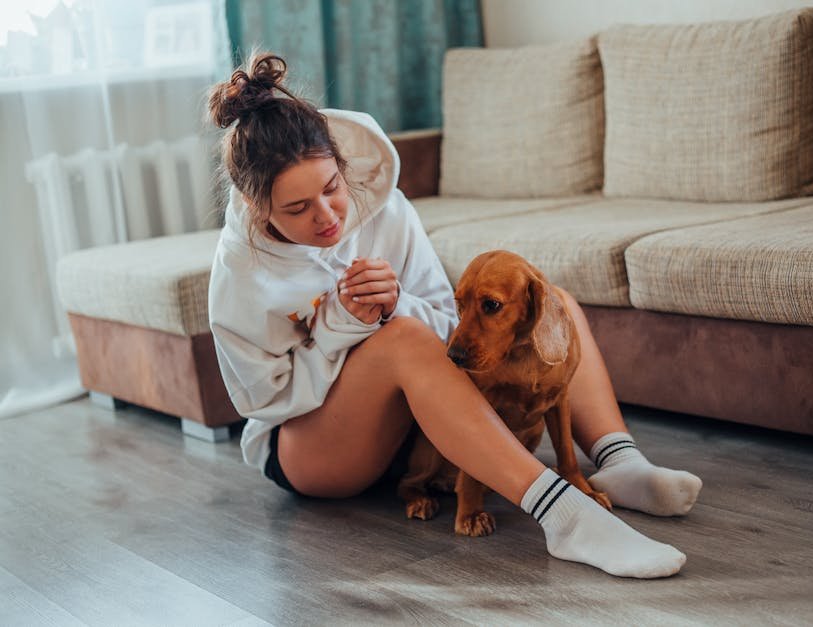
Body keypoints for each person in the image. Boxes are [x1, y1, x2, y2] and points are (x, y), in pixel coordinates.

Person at [207, 51, 703, 579]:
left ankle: (621, 462)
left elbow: (452, 326)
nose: (328, 216)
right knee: (399, 340)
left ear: (341, 165)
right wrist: (341, 327)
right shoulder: (242, 271)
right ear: (258, 208)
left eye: (331, 189)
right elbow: (263, 400)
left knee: (550, 304)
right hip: (312, 449)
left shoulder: (387, 209)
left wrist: (398, 303)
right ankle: (565, 516)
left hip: (424, 436)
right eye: (297, 209)